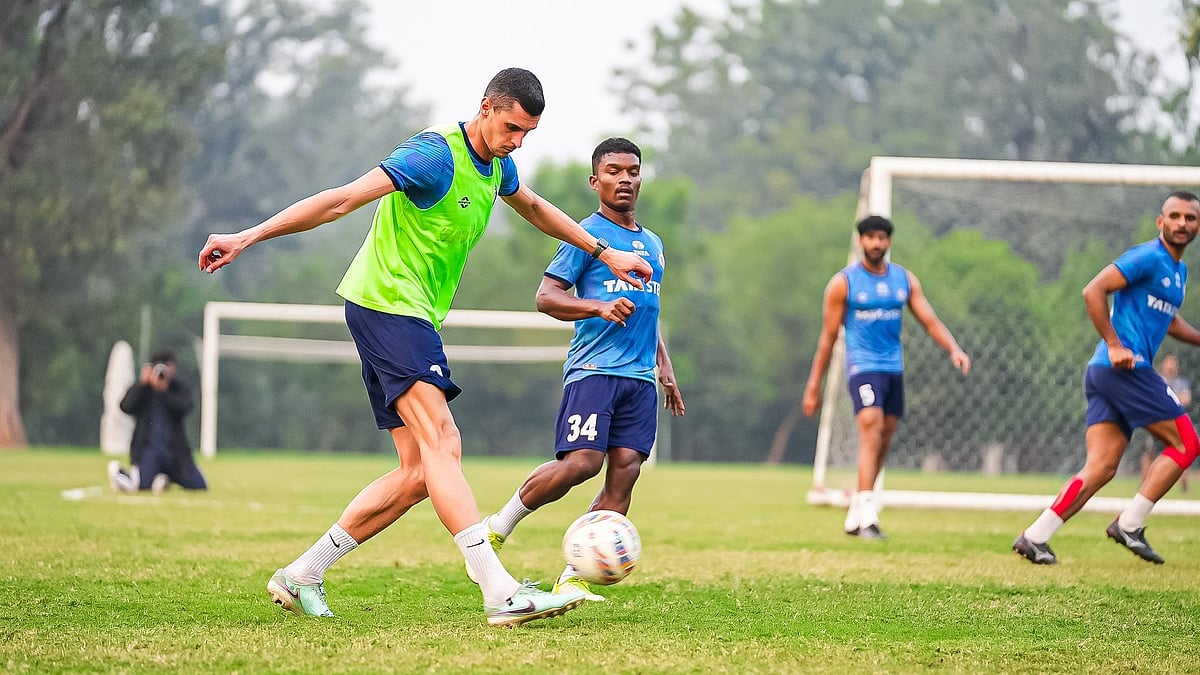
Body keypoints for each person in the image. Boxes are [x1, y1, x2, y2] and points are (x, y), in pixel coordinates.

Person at [198, 68, 652, 627]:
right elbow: (342, 200)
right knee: (444, 440)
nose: (516, 142)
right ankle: (498, 591)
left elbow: (534, 208)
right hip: (388, 305)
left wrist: (604, 253)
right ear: (486, 107)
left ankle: (302, 574)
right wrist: (248, 236)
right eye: (511, 127)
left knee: (418, 472)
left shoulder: (498, 165)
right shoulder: (434, 155)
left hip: (407, 315)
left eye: (527, 134)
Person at [469, 138, 685, 601]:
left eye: (631, 171)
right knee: (581, 464)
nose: (624, 179)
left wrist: (664, 367)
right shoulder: (584, 236)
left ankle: (574, 576)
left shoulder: (653, 244)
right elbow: (546, 297)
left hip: (641, 379)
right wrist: (598, 307)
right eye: (613, 171)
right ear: (595, 181)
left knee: (626, 470)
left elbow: (650, 308)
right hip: (594, 371)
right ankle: (496, 528)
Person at [1014, 191, 1200, 566]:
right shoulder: (1147, 256)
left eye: (1190, 218)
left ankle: (1035, 536)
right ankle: (1130, 524)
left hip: (1104, 374)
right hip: (1124, 368)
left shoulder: (1178, 272)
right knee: (1187, 444)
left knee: (1101, 467)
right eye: (1175, 216)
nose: (1182, 224)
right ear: (1160, 222)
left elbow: (1167, 319)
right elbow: (1093, 290)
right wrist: (1114, 344)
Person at [801, 216, 971, 540]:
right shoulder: (844, 283)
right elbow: (827, 338)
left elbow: (930, 321)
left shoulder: (904, 280)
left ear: (889, 242)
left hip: (893, 368)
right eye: (870, 237)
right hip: (862, 367)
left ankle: (856, 513)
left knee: (883, 439)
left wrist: (954, 349)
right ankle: (868, 517)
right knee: (871, 428)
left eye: (882, 237)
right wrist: (813, 386)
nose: (876, 243)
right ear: (861, 241)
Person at [107, 350, 208, 495]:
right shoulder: (144, 389)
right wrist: (142, 385)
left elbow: (186, 406)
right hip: (149, 451)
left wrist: (164, 391)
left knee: (199, 486)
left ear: (173, 368)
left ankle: (162, 479)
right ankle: (120, 473)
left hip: (175, 454)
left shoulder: (178, 387)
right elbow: (126, 407)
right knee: (141, 487)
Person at [1140, 354, 1191, 492]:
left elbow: (1186, 399)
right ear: (1163, 365)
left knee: (1184, 450)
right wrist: (1173, 400)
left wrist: (1165, 401)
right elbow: (1150, 398)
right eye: (1168, 363)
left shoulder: (1182, 382)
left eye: (1173, 364)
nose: (1171, 367)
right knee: (1148, 453)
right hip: (1156, 422)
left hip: (1176, 423)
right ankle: (1144, 484)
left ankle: (1184, 487)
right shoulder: (1158, 380)